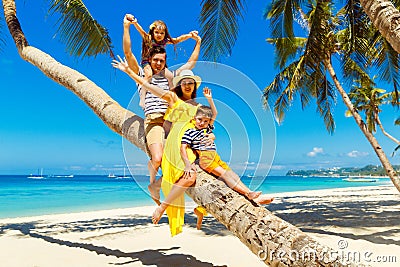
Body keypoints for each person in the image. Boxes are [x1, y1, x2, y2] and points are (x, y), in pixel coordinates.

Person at [112, 59, 274, 235]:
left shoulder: (198, 106)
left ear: (194, 85)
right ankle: (162, 207)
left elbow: (209, 123)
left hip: (195, 145)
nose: (187, 85)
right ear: (179, 85)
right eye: (184, 82)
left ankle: (248, 194)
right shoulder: (172, 97)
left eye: (190, 82)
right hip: (178, 143)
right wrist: (129, 71)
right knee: (190, 177)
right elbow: (149, 86)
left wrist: (210, 134)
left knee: (221, 171)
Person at [122, 14, 201, 205]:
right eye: (155, 60)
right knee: (157, 159)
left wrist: (197, 43)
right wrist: (126, 27)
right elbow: (129, 54)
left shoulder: (171, 78)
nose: (158, 63)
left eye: (161, 61)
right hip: (155, 122)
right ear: (150, 60)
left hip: (172, 123)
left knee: (186, 159)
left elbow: (190, 64)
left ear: (165, 62)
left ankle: (160, 186)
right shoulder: (142, 76)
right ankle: (151, 183)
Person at [180, 105, 274, 229]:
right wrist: (187, 164)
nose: (202, 123)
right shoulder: (189, 132)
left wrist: (209, 99)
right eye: (199, 119)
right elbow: (183, 148)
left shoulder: (207, 129)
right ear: (194, 118)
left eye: (205, 121)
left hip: (216, 157)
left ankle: (252, 196)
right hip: (206, 158)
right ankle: (249, 194)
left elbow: (215, 113)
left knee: (233, 176)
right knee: (225, 175)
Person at [125, 14, 197, 107]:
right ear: (153, 32)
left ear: (165, 33)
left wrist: (190, 35)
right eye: (157, 32)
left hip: (160, 63)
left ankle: (172, 97)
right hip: (147, 61)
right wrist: (135, 23)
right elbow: (141, 31)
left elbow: (177, 40)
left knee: (170, 76)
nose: (159, 35)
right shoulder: (149, 39)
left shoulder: (165, 41)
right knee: (148, 75)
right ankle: (142, 99)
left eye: (162, 33)